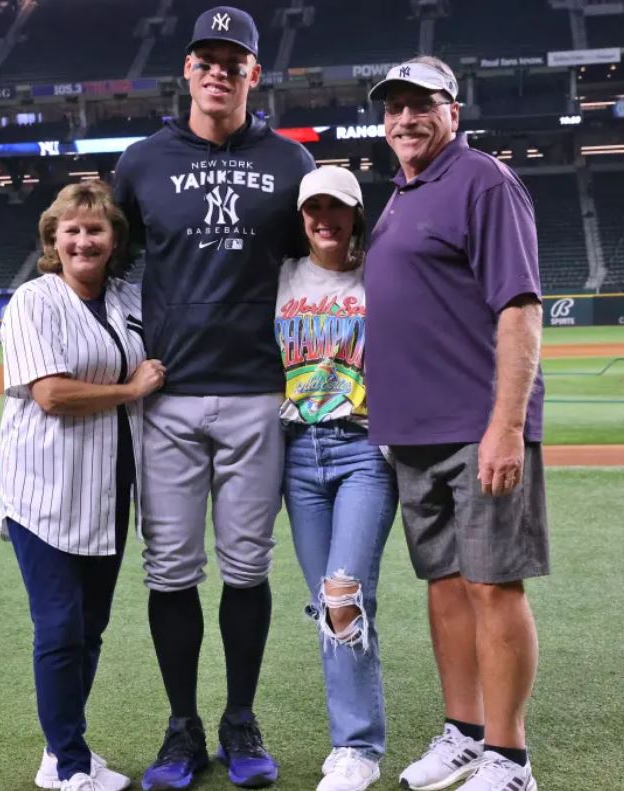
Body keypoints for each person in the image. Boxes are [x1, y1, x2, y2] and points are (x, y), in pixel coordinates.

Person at [112, 6, 316, 790]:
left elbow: (320, 266)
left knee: (244, 567)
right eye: (207, 57)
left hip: (258, 392)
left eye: (234, 60)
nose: (218, 70)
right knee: (169, 570)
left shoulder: (292, 165)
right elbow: (104, 253)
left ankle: (238, 716)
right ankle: (180, 727)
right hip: (165, 394)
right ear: (188, 71)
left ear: (254, 73)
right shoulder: (140, 162)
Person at [364, 56, 549, 791]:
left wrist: (505, 425)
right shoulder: (401, 194)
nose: (405, 119)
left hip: (476, 426)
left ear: (453, 111)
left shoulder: (482, 180)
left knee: (493, 586)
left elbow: (519, 308)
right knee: (443, 585)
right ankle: (464, 733)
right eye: (393, 108)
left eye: (421, 105)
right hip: (412, 433)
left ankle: (509, 757)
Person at [0, 182, 166, 791]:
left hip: (107, 490)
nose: (83, 239)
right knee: (61, 627)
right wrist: (129, 390)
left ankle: (59, 747)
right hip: (42, 492)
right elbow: (50, 394)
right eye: (70, 229)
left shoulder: (127, 299)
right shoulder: (33, 300)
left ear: (114, 239)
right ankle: (69, 766)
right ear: (53, 239)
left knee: (89, 629)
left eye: (95, 229)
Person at [275, 167, 397, 791]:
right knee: (329, 603)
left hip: (362, 452)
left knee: (345, 595)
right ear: (301, 216)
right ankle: (351, 743)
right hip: (296, 453)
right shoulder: (283, 277)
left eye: (338, 208)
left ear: (356, 213)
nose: (325, 219)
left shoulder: (381, 273)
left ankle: (358, 749)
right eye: (313, 208)